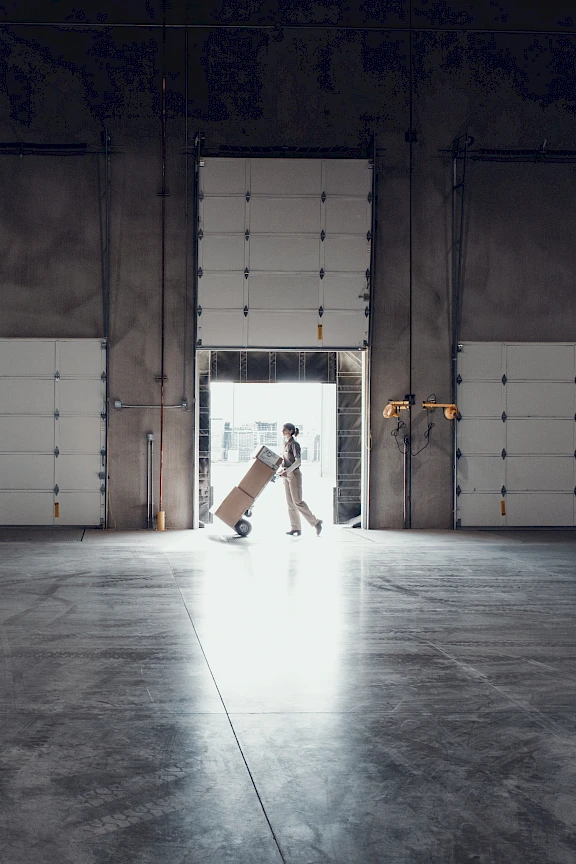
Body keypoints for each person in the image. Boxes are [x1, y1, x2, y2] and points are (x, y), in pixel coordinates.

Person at [278, 423, 323, 537]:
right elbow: (285, 460)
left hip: (294, 474)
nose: (283, 432)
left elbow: (298, 461)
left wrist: (287, 471)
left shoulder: (295, 444)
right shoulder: (285, 444)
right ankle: (295, 528)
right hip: (286, 474)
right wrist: (282, 470)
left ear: (291, 431)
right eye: (283, 430)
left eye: (285, 430)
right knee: (290, 503)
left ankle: (316, 522)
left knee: (297, 501)